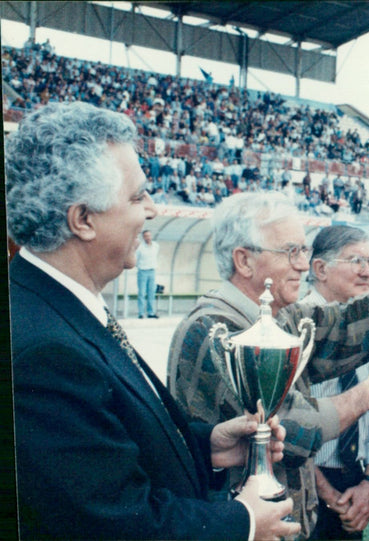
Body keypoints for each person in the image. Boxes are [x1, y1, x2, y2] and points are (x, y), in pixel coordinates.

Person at [6, 101, 300, 540]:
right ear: (83, 220)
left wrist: (208, 447)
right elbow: (112, 519)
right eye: (138, 195)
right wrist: (244, 522)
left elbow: (109, 449)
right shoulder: (41, 350)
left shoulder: (56, 305)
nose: (153, 209)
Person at [167, 192, 369, 538]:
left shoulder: (278, 317)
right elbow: (295, 429)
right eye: (290, 252)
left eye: (303, 251)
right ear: (244, 261)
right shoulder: (216, 331)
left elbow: (356, 323)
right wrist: (368, 394)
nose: (301, 264)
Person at [302, 225, 369, 540]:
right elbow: (289, 421)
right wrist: (327, 493)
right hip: (305, 483)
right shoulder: (297, 329)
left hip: (356, 480)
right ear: (320, 268)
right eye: (356, 261)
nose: (367, 273)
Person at [135, 229, 159, 318]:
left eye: (149, 235)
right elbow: (136, 259)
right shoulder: (140, 247)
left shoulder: (156, 246)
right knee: (141, 293)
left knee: (151, 293)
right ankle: (141, 313)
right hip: (142, 271)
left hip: (152, 271)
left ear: (151, 236)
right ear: (143, 237)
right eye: (146, 236)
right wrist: (140, 267)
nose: (148, 237)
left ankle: (151, 313)